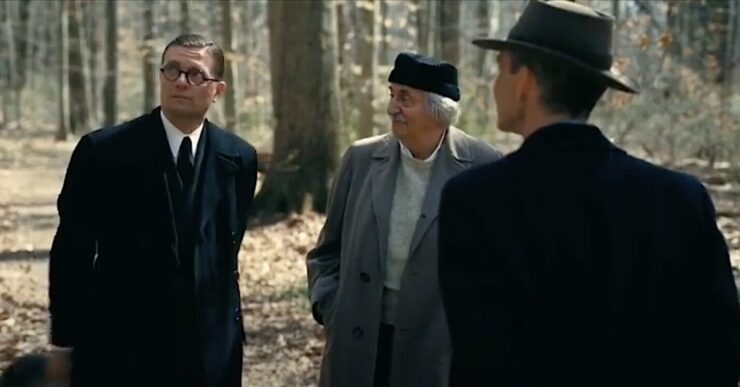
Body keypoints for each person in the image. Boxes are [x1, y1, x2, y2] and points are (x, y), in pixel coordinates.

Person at [438, 1, 740, 386]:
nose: (495, 83)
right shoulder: (680, 200)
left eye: (500, 69)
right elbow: (720, 351)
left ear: (525, 80)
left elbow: (479, 362)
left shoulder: (475, 202)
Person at [48, 34, 258, 387]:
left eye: (194, 74)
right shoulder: (103, 152)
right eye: (172, 70)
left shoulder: (238, 158)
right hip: (120, 347)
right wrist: (64, 342)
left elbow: (225, 251)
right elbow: (72, 250)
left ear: (217, 90)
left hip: (210, 351)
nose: (180, 81)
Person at [307, 52, 502, 387]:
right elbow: (327, 252)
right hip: (356, 343)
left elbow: (497, 271)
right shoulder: (361, 159)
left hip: (437, 353)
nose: (391, 107)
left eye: (405, 98)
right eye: (392, 94)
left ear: (438, 110)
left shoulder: (484, 168)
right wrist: (331, 307)